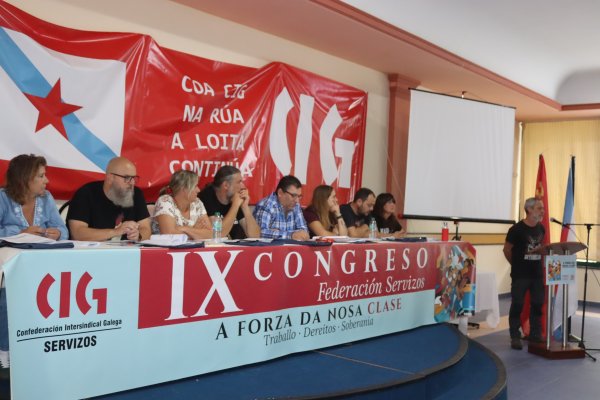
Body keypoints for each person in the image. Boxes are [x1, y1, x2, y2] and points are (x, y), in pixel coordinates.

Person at [67, 157, 151, 241]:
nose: (132, 182)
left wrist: (138, 235)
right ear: (110, 177)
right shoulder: (86, 193)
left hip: (126, 249)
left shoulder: (136, 193)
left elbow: (146, 229)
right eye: (127, 178)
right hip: (91, 249)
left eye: (134, 178)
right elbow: (77, 234)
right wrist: (116, 232)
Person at [503, 197, 545, 350]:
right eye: (539, 208)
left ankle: (535, 334)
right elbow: (506, 250)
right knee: (518, 304)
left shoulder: (541, 228)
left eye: (542, 208)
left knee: (538, 304)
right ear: (529, 210)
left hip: (537, 275)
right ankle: (515, 335)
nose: (542, 211)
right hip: (520, 275)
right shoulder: (516, 229)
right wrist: (516, 265)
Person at [0, 154, 67, 240]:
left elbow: (63, 230)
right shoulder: (2, 197)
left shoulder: (46, 197)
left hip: (41, 248)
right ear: (24, 179)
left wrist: (58, 234)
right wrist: (20, 233)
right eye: (41, 176)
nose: (47, 181)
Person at [199, 166, 259, 239]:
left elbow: (255, 236)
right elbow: (218, 233)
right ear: (226, 185)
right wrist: (235, 205)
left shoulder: (235, 197)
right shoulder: (207, 197)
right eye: (239, 182)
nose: (243, 186)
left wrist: (245, 207)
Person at [152, 170, 212, 239]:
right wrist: (196, 231)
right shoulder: (165, 201)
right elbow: (169, 235)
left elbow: (210, 234)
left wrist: (185, 228)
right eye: (195, 186)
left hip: (193, 246)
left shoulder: (197, 203)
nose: (198, 190)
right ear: (183, 188)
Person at [253, 175, 309, 240]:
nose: (297, 200)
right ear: (280, 193)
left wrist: (277, 233)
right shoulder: (266, 205)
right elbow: (260, 233)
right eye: (293, 195)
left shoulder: (296, 205)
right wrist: (291, 235)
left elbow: (304, 232)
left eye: (299, 196)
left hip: (290, 246)